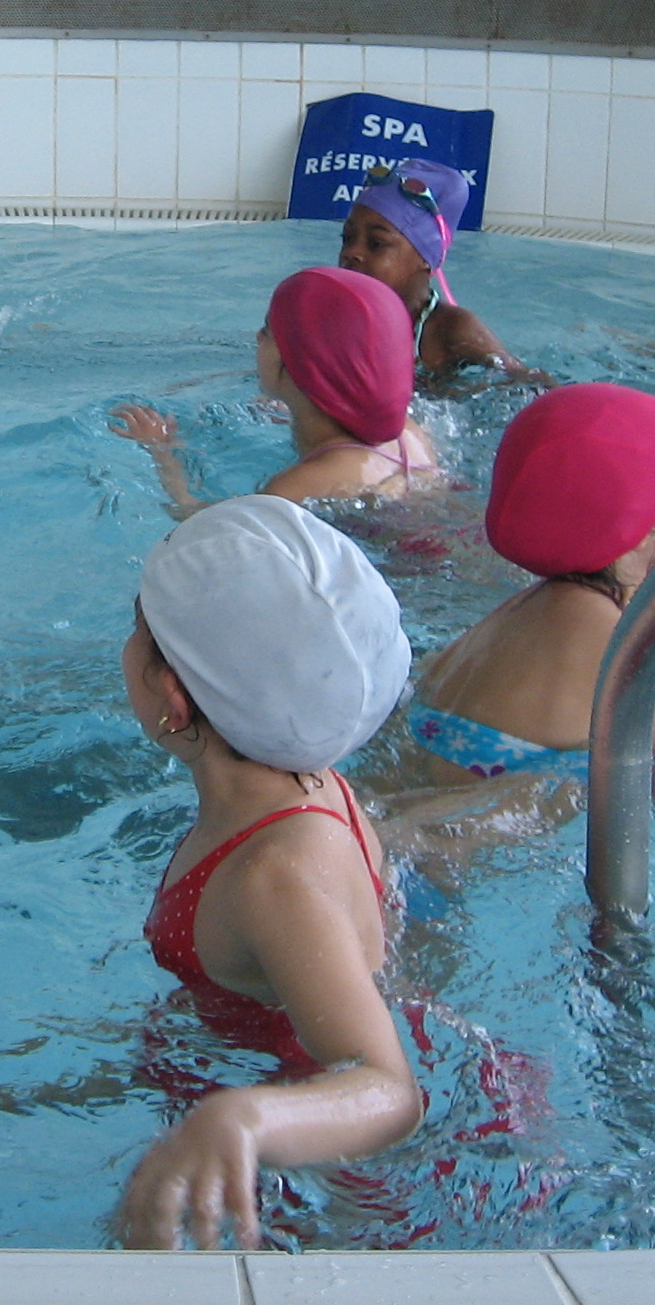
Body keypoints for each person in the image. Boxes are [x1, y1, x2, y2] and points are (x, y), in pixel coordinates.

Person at [119, 495, 423, 1249]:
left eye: (137, 631)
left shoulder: (275, 874)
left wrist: (246, 1116)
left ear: (172, 696)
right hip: (255, 1076)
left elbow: (390, 1091)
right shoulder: (310, 778)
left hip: (328, 1181)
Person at [377, 384, 655, 874]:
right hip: (454, 860)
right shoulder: (650, 668)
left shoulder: (498, 627)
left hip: (396, 839)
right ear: (633, 529)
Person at [113, 267, 442, 515]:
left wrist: (163, 451)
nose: (257, 337)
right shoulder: (407, 432)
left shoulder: (293, 488)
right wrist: (295, 408)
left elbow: (198, 517)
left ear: (300, 369)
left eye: (269, 331)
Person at [338, 160, 535, 382]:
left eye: (376, 243)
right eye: (347, 239)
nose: (352, 252)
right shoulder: (336, 316)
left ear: (425, 258)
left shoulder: (451, 328)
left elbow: (529, 384)